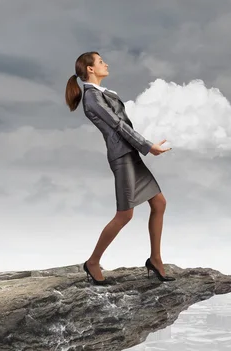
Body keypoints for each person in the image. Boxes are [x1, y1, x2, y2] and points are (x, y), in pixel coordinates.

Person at [64, 51, 174, 285]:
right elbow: (117, 125)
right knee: (125, 214)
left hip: (130, 153)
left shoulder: (102, 94)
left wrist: (145, 146)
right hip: (122, 157)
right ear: (90, 69)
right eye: (101, 61)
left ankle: (155, 259)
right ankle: (92, 262)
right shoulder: (92, 98)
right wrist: (148, 146)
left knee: (159, 202)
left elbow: (123, 125)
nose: (106, 64)